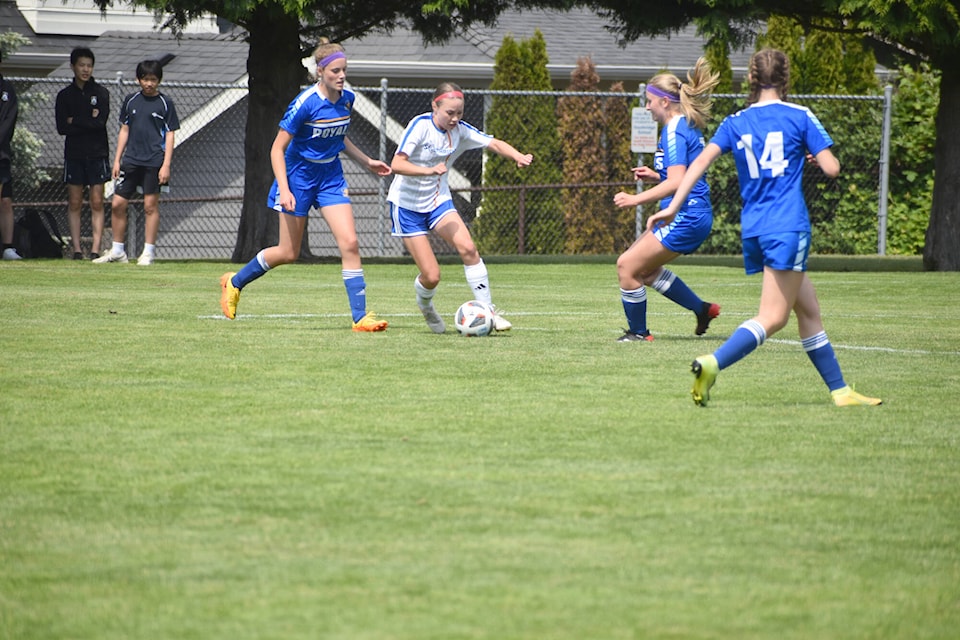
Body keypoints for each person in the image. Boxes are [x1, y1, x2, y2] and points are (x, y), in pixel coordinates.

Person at [653, 49, 881, 407]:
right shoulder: (800, 115)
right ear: (786, 77)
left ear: (751, 79)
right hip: (788, 226)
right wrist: (813, 153)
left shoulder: (735, 121)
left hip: (756, 228)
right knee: (773, 317)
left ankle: (841, 391)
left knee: (808, 310)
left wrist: (673, 208)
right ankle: (712, 363)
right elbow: (833, 168)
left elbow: (697, 164)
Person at [219, 41, 391, 332]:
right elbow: (276, 149)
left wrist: (367, 161)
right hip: (297, 178)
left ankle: (360, 318)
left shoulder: (347, 99)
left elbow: (339, 137)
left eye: (344, 70)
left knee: (349, 243)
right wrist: (285, 190)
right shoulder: (304, 104)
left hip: (330, 177)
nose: (341, 75)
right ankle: (234, 282)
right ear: (320, 71)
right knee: (288, 252)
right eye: (335, 70)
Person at [387, 82, 533, 333]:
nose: (455, 118)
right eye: (449, 113)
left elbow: (494, 143)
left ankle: (488, 312)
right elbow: (397, 165)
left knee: (468, 247)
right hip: (407, 207)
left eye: (459, 113)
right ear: (435, 106)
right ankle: (426, 307)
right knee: (432, 276)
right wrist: (428, 170)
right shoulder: (420, 126)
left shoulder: (461, 131)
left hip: (438, 202)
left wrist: (518, 156)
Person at [612, 57, 721, 342]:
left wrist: (635, 199)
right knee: (645, 272)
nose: (646, 106)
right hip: (690, 213)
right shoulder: (683, 125)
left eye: (649, 101)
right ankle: (702, 310)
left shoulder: (674, 130)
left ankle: (638, 333)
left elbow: (677, 182)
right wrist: (655, 175)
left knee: (626, 266)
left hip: (686, 215)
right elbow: (680, 176)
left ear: (663, 101)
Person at [94, 59, 178, 266]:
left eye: (153, 80)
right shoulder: (131, 101)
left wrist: (166, 164)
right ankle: (118, 251)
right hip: (131, 160)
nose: (149, 84)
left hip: (154, 161)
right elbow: (124, 130)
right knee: (117, 204)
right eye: (145, 79)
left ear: (159, 81)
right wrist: (117, 160)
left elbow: (170, 134)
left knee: (150, 206)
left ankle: (148, 252)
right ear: (138, 79)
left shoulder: (166, 103)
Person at [56, 47, 110, 260]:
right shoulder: (64, 96)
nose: (85, 69)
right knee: (75, 201)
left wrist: (75, 120)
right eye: (81, 65)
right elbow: (62, 127)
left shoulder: (101, 93)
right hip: (74, 154)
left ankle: (96, 249)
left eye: (89, 65)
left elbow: (99, 123)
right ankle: (77, 250)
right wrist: (86, 119)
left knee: (97, 201)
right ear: (73, 67)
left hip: (97, 153)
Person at [0, 50, 20, 261]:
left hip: (1, 154)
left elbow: (8, 122)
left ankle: (7, 247)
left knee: (5, 201)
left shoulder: (6, 90)